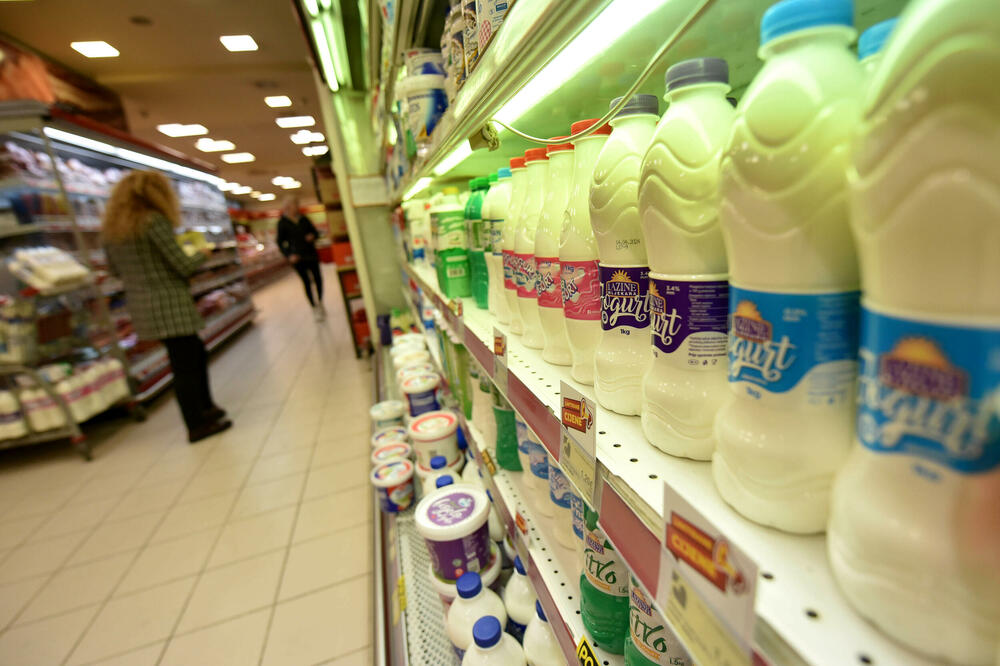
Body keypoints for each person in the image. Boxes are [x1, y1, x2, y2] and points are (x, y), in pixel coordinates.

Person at [102, 170, 231, 443]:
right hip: (169, 301)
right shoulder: (153, 221)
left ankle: (206, 409)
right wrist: (202, 253)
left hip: (141, 305)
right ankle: (196, 423)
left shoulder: (113, 231)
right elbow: (182, 265)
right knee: (187, 361)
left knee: (192, 353)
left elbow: (114, 271)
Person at [276, 196, 325, 321]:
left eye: (297, 205)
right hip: (297, 257)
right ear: (287, 207)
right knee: (306, 282)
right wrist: (289, 255)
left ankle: (320, 301)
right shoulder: (282, 223)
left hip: (311, 254)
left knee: (318, 278)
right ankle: (314, 307)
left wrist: (312, 236)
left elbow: (316, 232)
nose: (296, 208)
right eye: (294, 205)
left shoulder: (304, 219)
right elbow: (280, 243)